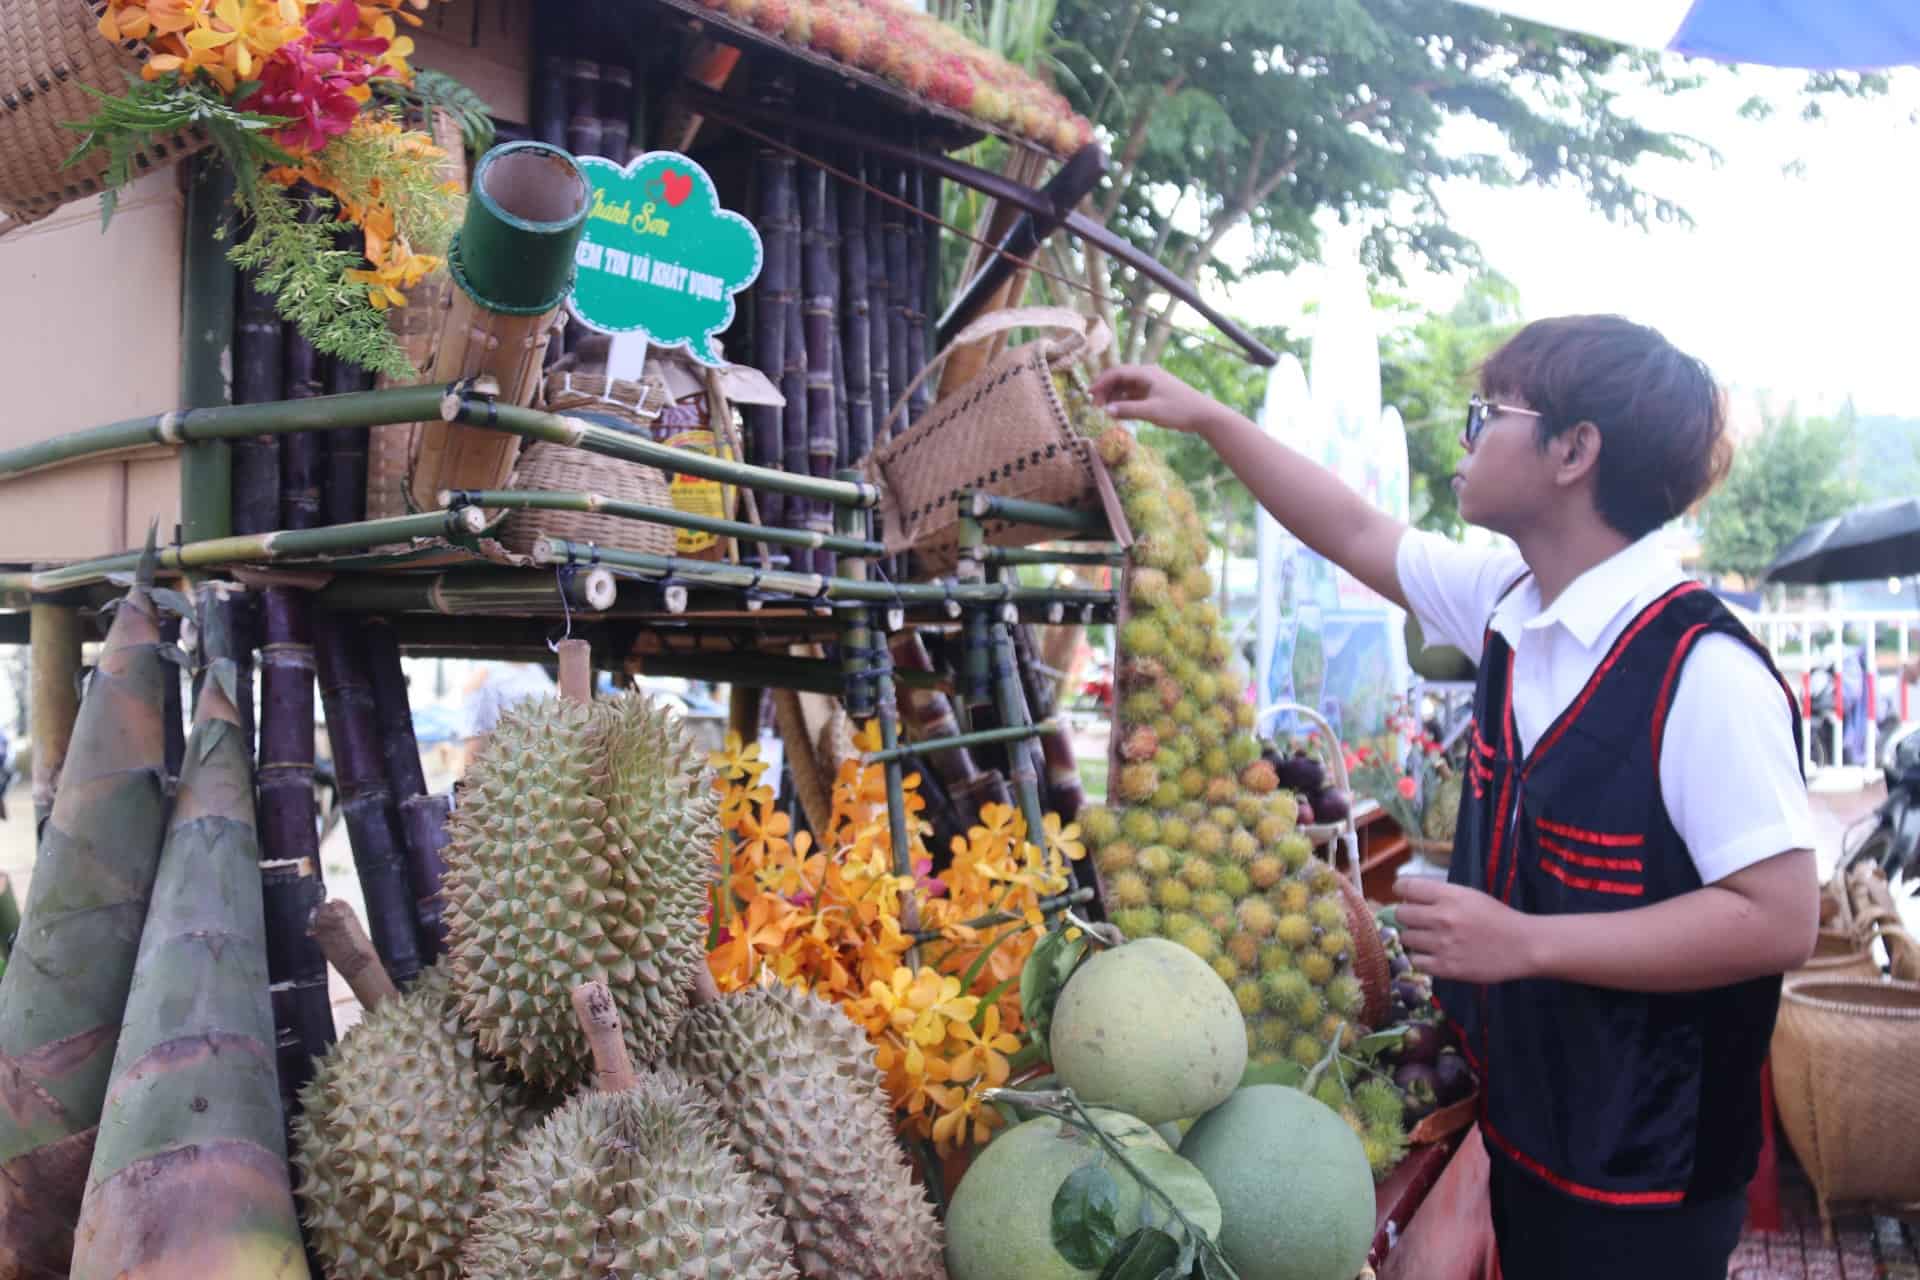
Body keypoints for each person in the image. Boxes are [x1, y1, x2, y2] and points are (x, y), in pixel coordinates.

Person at [1092, 314, 1817, 1280]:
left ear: (1574, 449)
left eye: (1489, 413)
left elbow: (1777, 919)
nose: (1465, 438)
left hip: (1647, 1176)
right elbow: (1352, 529)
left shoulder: (1703, 672)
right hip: (1530, 1127)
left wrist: (1523, 943)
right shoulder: (1512, 605)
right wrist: (1212, 419)